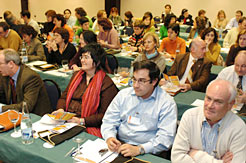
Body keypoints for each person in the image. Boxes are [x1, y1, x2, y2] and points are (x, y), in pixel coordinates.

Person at [101, 60, 177, 157]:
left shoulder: (166, 103)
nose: (136, 85)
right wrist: (110, 137)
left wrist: (140, 149)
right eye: (134, 79)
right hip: (119, 145)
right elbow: (109, 120)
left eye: (142, 81)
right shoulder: (123, 95)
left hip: (147, 151)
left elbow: (166, 139)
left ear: (154, 81)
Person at [171, 79, 246, 163]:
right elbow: (176, 157)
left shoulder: (239, 127)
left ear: (230, 105)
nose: (210, 106)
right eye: (208, 98)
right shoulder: (189, 116)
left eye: (218, 102)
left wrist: (196, 155)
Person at [54, 43, 118, 137]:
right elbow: (63, 97)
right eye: (82, 57)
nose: (82, 61)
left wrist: (81, 121)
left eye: (86, 57)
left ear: (97, 61)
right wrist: (61, 110)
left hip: (87, 124)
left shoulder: (106, 84)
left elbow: (105, 115)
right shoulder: (77, 76)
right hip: (67, 119)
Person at [0, 49, 52, 116]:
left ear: (11, 64)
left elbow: (26, 106)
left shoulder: (30, 77)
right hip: (14, 114)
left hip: (35, 117)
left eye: (0, 64)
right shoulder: (5, 74)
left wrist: (2, 109)